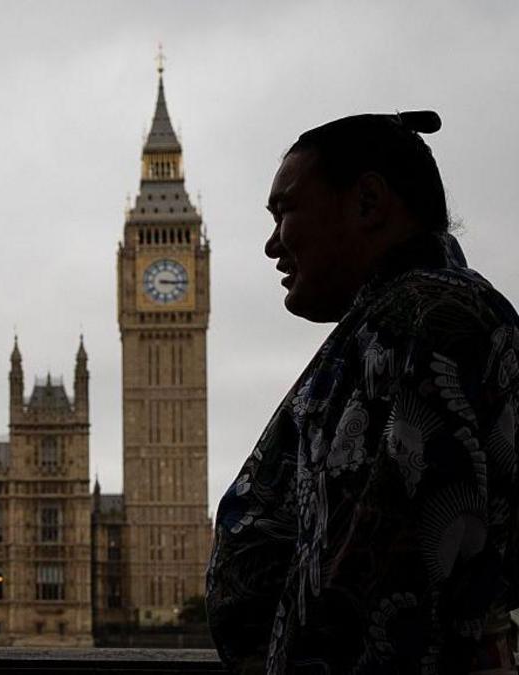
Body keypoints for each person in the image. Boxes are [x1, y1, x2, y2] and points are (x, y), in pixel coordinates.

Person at [206, 111, 519, 674]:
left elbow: (382, 594)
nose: (272, 245)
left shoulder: (429, 323)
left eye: (285, 212)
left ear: (368, 203)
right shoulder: (397, 319)